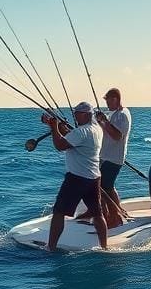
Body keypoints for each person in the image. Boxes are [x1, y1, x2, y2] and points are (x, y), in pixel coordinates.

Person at [42, 101, 106, 251]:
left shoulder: (81, 132)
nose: (75, 116)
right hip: (94, 178)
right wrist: (59, 129)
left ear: (86, 114)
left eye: (77, 113)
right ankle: (104, 246)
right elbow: (74, 140)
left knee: (58, 212)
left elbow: (60, 145)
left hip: (77, 178)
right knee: (97, 213)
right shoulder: (97, 129)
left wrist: (53, 127)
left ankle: (50, 247)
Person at [94, 87, 132, 229]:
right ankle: (117, 211)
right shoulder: (113, 114)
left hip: (114, 157)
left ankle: (114, 218)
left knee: (104, 187)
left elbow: (117, 135)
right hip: (106, 156)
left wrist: (105, 121)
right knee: (108, 186)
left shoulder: (122, 115)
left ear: (115, 99)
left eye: (108, 100)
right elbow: (106, 130)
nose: (107, 103)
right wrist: (100, 121)